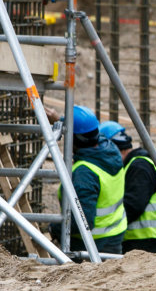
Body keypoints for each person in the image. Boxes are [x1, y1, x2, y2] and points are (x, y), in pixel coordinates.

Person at [47, 106, 127, 255]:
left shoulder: (85, 173)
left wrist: (54, 228)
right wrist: (61, 121)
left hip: (91, 247)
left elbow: (83, 222)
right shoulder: (110, 150)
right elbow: (89, 132)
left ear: (74, 139)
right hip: (114, 237)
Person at [100, 121, 156, 256]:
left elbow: (133, 206)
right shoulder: (130, 167)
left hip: (149, 245)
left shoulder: (140, 167)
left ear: (114, 148)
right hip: (141, 243)